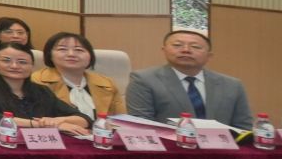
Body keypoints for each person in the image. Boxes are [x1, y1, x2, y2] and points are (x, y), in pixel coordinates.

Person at [125, 29, 254, 129]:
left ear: (209, 56)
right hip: (169, 151)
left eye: (195, 47)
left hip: (223, 151)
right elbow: (141, 125)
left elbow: (244, 126)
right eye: (177, 45)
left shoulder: (232, 85)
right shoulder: (144, 79)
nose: (186, 50)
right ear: (164, 50)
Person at [0, 43, 89, 134]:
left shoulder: (42, 91)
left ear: (32, 66)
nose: (14, 66)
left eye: (22, 62)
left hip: (40, 145)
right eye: (6, 60)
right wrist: (41, 125)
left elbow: (84, 119)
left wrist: (57, 121)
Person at [32, 31, 126, 118]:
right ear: (50, 55)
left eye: (79, 50)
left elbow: (121, 120)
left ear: (90, 56)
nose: (71, 54)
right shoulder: (36, 81)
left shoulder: (107, 83)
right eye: (62, 49)